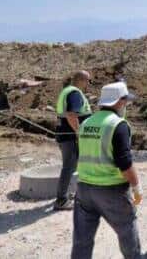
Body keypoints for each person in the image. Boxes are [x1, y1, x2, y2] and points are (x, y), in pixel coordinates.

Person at [72, 82, 142, 259]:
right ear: (119, 101)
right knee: (127, 229)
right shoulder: (118, 125)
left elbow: (81, 153)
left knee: (82, 240)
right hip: (112, 190)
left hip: (84, 189)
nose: (126, 105)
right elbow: (124, 163)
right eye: (125, 101)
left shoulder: (86, 123)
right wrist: (136, 187)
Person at [54, 70, 92, 211]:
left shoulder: (67, 91)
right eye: (88, 80)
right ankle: (61, 200)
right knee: (69, 166)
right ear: (81, 80)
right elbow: (71, 115)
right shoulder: (74, 93)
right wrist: (78, 132)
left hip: (65, 134)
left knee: (73, 166)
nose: (89, 84)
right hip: (70, 136)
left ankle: (68, 193)